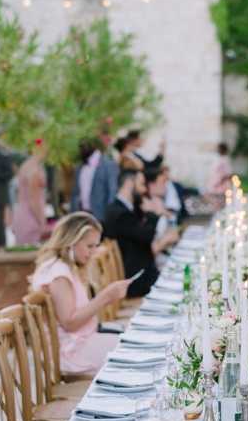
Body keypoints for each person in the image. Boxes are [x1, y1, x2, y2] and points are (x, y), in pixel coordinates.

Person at [32, 212, 131, 374]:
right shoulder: (59, 274)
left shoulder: (62, 266)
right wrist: (105, 297)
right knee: (131, 352)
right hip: (70, 353)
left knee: (132, 342)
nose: (93, 252)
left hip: (80, 343)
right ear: (71, 242)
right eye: (89, 246)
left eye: (96, 246)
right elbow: (69, 323)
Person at [103, 168, 179, 297]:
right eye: (142, 184)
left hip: (144, 274)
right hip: (136, 281)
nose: (144, 190)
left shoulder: (128, 208)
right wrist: (153, 213)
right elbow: (147, 236)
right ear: (129, 184)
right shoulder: (119, 213)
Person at [70, 139, 119, 222]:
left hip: (101, 216)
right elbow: (76, 192)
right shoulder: (79, 167)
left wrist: (110, 217)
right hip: (81, 215)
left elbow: (112, 192)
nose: (81, 148)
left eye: (84, 145)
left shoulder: (108, 165)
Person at [11, 139, 48, 245]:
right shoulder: (34, 169)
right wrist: (42, 223)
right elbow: (33, 200)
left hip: (21, 214)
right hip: (31, 217)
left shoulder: (25, 165)